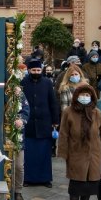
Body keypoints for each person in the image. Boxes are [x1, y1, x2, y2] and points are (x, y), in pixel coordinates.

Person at [58, 83, 101, 200]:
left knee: (91, 181)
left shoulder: (97, 113)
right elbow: (63, 133)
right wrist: (63, 152)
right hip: (76, 152)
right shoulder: (68, 111)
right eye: (82, 95)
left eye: (88, 95)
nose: (85, 97)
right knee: (76, 181)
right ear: (76, 96)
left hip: (94, 152)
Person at [22, 57, 59, 186]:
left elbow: (53, 102)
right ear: (29, 70)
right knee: (29, 154)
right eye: (34, 70)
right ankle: (28, 178)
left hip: (44, 123)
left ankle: (45, 178)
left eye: (38, 70)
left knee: (44, 154)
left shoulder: (47, 83)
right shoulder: (23, 82)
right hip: (29, 124)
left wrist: (55, 120)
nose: (36, 72)